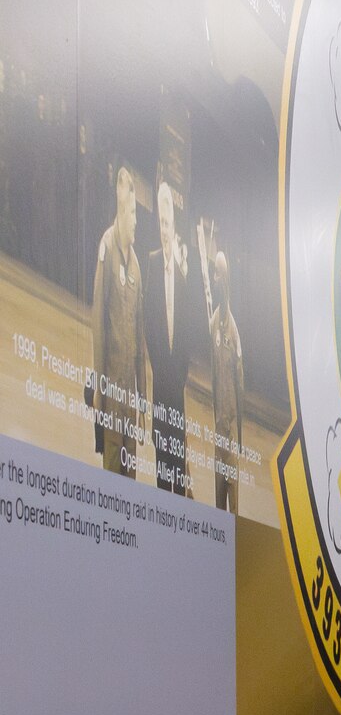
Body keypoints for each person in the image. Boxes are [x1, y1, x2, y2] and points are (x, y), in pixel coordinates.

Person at [141, 179, 200, 496]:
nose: (164, 229)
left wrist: (180, 374)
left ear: (174, 225)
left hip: (176, 383)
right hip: (160, 379)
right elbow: (149, 323)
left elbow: (189, 329)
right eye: (161, 223)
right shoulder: (151, 263)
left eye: (168, 223)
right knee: (160, 450)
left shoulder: (182, 272)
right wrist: (160, 368)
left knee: (178, 451)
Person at [89, 164, 146, 478]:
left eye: (137, 212)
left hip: (129, 396)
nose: (136, 219)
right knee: (112, 471)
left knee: (131, 475)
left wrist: (142, 399)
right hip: (111, 392)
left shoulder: (136, 265)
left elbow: (139, 337)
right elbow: (98, 321)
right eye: (133, 211)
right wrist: (99, 387)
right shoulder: (107, 246)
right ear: (121, 209)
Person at [197, 219, 243, 512]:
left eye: (219, 274)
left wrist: (239, 438)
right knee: (217, 508)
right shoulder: (213, 323)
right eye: (213, 273)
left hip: (231, 438)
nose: (216, 279)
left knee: (234, 510)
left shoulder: (233, 331)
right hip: (218, 436)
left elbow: (240, 385)